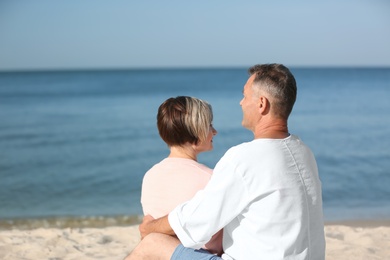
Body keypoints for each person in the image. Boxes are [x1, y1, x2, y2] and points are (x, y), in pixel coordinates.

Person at [126, 64, 326, 260]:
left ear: (261, 104)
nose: (240, 103)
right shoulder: (304, 152)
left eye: (245, 96)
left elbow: (195, 222)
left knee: (152, 243)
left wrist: (149, 227)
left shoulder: (244, 158)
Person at [139, 96, 223, 255]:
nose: (214, 131)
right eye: (209, 125)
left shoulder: (150, 176)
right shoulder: (211, 178)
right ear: (196, 134)